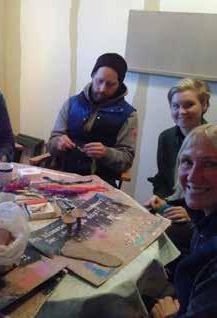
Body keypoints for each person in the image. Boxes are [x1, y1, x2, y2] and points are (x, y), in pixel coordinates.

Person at [149, 123, 217, 317]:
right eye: (187, 161)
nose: (193, 176)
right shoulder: (204, 220)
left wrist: (168, 315)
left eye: (210, 164)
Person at [146, 79, 211, 275]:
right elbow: (163, 179)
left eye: (189, 104)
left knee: (162, 239)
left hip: (200, 217)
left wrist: (190, 215)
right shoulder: (165, 137)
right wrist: (159, 198)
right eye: (176, 106)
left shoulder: (212, 142)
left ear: (205, 105)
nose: (181, 111)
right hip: (169, 208)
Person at [47, 53, 137, 186]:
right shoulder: (72, 103)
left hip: (101, 185)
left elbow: (126, 160)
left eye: (110, 84)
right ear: (92, 75)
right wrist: (57, 143)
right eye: (99, 81)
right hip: (63, 178)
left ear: (119, 84)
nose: (102, 89)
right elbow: (51, 144)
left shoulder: (128, 115)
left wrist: (107, 153)